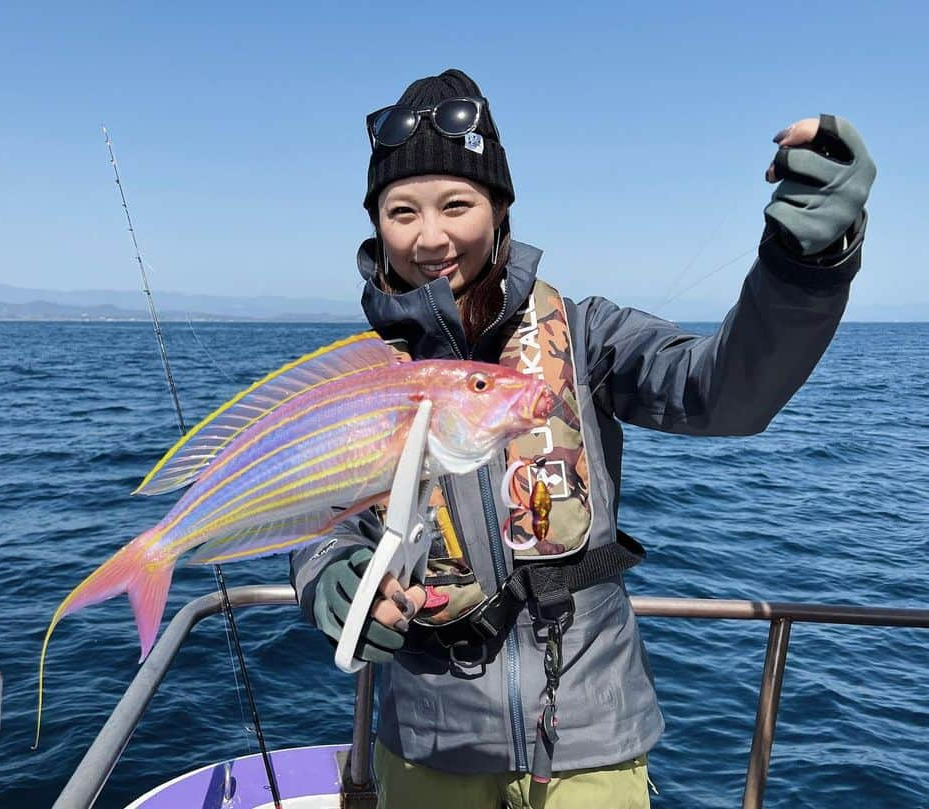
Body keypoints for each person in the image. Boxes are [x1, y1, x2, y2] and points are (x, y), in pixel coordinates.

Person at [290, 68, 875, 809]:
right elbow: (319, 515)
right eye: (401, 210)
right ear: (377, 225)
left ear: (500, 210)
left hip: (591, 734)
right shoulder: (367, 378)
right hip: (428, 736)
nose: (430, 236)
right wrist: (327, 574)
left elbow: (724, 391)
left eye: (457, 204)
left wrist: (804, 268)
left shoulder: (588, 332)